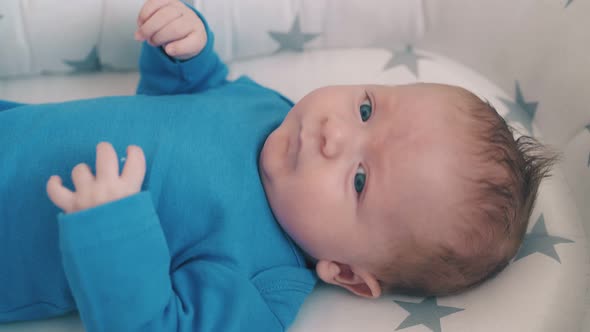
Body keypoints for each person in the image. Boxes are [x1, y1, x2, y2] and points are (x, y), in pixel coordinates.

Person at [0, 0, 558, 331]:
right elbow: (191, 94)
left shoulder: (262, 284)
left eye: (360, 180)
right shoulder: (273, 110)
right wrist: (184, 50)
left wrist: (113, 234)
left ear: (344, 272)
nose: (333, 132)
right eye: (366, 109)